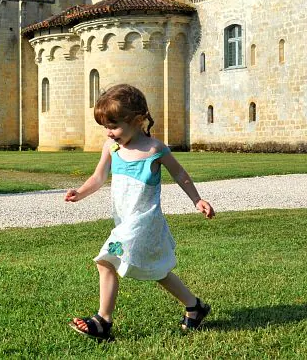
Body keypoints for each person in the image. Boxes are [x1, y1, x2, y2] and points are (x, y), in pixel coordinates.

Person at [64, 83, 216, 342]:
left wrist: (197, 199)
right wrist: (80, 192)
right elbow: (98, 177)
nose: (109, 133)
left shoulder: (154, 150)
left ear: (137, 120)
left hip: (144, 222)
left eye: (114, 126)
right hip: (126, 222)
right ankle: (195, 306)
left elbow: (179, 174)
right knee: (158, 272)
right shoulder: (111, 149)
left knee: (106, 261)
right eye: (105, 128)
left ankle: (103, 321)